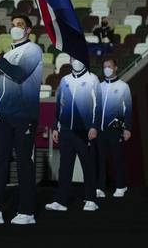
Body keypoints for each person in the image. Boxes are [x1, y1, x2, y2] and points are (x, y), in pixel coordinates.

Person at [0, 15, 43, 225]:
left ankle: (27, 211)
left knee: (23, 162)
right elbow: (8, 81)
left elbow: (20, 75)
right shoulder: (10, 53)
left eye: (20, 25)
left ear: (28, 30)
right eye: (12, 25)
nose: (15, 28)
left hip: (24, 115)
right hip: (3, 115)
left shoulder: (33, 50)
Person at [45, 57, 101, 212]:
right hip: (66, 130)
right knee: (65, 167)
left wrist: (94, 126)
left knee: (88, 165)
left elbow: (99, 105)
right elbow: (59, 105)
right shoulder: (64, 80)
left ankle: (91, 199)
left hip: (84, 130)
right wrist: (56, 127)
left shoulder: (92, 79)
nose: (76, 61)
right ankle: (61, 201)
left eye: (79, 58)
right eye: (73, 58)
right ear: (69, 60)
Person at [96, 59, 132, 198]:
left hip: (115, 128)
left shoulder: (123, 86)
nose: (107, 69)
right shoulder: (99, 86)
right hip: (100, 129)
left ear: (115, 68)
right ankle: (100, 187)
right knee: (100, 158)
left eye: (109, 66)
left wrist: (127, 128)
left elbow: (127, 109)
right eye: (104, 67)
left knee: (117, 158)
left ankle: (121, 186)